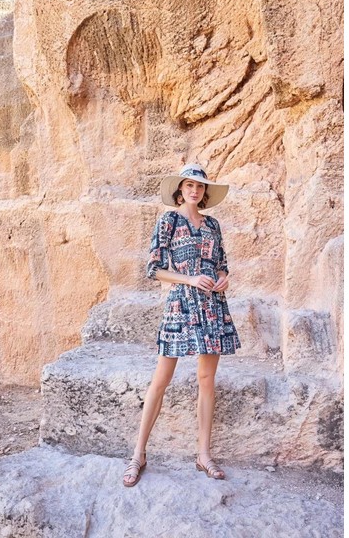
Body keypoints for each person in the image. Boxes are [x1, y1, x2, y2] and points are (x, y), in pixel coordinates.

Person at [122, 163, 241, 487]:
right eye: (190, 185)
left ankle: (203, 455)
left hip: (212, 305)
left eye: (200, 186)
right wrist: (190, 278)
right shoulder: (169, 221)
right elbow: (154, 269)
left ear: (204, 192)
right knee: (161, 379)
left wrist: (223, 279)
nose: (195, 190)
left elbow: (222, 265)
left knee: (207, 379)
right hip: (180, 304)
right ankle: (138, 454)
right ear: (180, 189)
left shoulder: (213, 225)